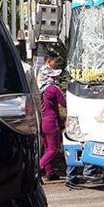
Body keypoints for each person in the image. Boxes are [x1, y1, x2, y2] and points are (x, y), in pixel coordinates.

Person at [38, 53, 65, 182]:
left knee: (47, 148)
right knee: (54, 149)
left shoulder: (40, 90)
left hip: (42, 121)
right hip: (52, 122)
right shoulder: (53, 89)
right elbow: (65, 104)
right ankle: (37, 169)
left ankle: (50, 172)